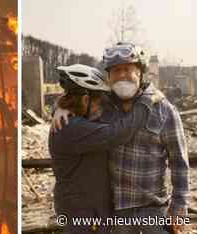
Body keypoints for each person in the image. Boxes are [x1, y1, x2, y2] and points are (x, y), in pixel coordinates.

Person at [52, 43, 190, 234]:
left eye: (127, 69)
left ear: (140, 72)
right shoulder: (104, 106)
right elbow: (77, 99)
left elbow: (179, 163)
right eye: (116, 70)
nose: (122, 75)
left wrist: (179, 207)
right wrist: (60, 108)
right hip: (116, 214)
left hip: (152, 212)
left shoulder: (164, 111)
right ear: (109, 76)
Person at [49, 64, 153, 234]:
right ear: (84, 100)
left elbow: (111, 107)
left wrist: (59, 107)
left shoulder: (79, 119)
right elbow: (120, 132)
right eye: (98, 101)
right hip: (81, 212)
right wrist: (147, 101)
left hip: (91, 206)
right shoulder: (71, 128)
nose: (101, 108)